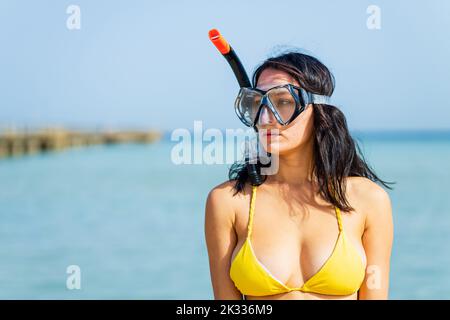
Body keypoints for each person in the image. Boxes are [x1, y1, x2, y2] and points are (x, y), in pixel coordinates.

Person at [205, 51, 394, 300]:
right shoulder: (228, 202)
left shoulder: (368, 199)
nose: (265, 118)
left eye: (282, 102)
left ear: (320, 108)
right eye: (257, 104)